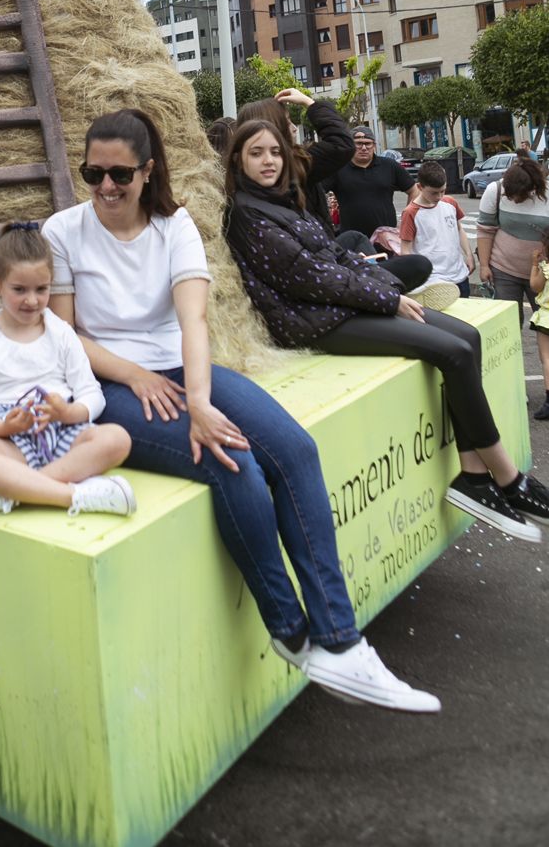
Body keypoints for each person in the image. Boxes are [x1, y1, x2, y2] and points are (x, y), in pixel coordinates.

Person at [43, 107, 439, 713]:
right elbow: (69, 337)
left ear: (148, 172)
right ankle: (289, 630)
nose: (105, 188)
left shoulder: (174, 227)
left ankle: (339, 640)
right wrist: (139, 376)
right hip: (108, 385)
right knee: (232, 459)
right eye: (93, 173)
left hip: (185, 370)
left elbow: (193, 320)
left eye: (120, 175)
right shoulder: (63, 231)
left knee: (296, 451)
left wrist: (198, 399)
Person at [224, 118, 549, 544]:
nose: (268, 160)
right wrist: (388, 298)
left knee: (467, 339)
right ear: (237, 160)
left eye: (274, 151)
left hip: (340, 304)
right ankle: (506, 476)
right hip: (316, 322)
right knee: (452, 352)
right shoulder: (247, 212)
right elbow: (307, 276)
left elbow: (334, 255)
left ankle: (473, 475)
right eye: (256, 153)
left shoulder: (286, 199)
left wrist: (381, 283)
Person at [0, 221, 136, 521]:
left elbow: (92, 394)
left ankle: (11, 491)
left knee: (117, 438)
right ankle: (75, 495)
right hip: (11, 439)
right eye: (19, 289)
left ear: (51, 282)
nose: (32, 300)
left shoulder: (61, 332)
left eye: (42, 289)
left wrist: (69, 413)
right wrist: (5, 428)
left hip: (65, 431)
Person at [241, 94, 433, 295]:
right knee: (416, 267)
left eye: (368, 143)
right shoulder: (290, 171)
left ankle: (379, 280)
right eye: (288, 122)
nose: (295, 128)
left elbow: (412, 189)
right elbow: (341, 144)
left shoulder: (388, 166)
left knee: (360, 241)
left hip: (332, 253)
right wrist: (311, 104)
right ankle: (385, 286)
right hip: (322, 273)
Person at [476, 157, 549, 329]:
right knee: (507, 326)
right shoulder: (495, 190)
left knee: (546, 324)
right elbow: (485, 230)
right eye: (511, 195)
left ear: (534, 187)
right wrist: (484, 266)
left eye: (520, 195)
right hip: (504, 270)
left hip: (543, 274)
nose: (515, 199)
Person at [399, 162, 474, 299]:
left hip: (460, 275)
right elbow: (406, 250)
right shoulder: (411, 213)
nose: (439, 197)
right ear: (420, 187)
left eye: (443, 191)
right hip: (433, 281)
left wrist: (468, 254)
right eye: (434, 193)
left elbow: (458, 229)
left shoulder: (450, 202)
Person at [324, 128, 416, 239]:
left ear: (374, 145)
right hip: (352, 240)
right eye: (358, 144)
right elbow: (315, 193)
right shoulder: (338, 169)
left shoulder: (389, 166)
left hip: (386, 238)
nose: (363, 148)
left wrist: (405, 224)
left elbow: (414, 191)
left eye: (367, 144)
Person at [528, 228, 549, 421]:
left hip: (547, 317)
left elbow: (535, 286)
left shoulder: (546, 267)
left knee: (547, 358)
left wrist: (535, 264)